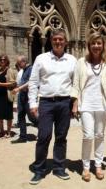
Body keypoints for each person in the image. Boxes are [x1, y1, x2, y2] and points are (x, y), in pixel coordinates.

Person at [28, 28, 77, 185]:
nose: (58, 42)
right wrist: (33, 103)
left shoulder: (72, 60)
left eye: (61, 39)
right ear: (51, 41)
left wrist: (75, 103)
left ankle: (59, 167)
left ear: (65, 42)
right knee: (44, 136)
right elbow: (34, 82)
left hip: (65, 102)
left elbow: (76, 84)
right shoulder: (41, 58)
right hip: (46, 102)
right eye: (55, 39)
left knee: (61, 137)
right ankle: (39, 170)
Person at [71, 32, 106, 182]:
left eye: (99, 43)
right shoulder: (81, 62)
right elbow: (76, 83)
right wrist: (75, 102)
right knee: (88, 135)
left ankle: (97, 165)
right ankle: (85, 167)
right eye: (93, 43)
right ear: (89, 45)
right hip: (86, 104)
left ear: (103, 45)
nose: (96, 46)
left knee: (99, 135)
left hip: (102, 104)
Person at [11, 55, 37, 143]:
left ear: (24, 62)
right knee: (20, 116)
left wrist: (19, 88)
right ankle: (23, 137)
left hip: (28, 97)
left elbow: (31, 82)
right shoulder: (24, 70)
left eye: (19, 63)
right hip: (22, 96)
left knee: (32, 117)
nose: (18, 65)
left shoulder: (31, 69)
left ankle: (43, 128)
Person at [0, 54, 17, 138]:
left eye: (4, 59)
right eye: (1, 60)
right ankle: (1, 131)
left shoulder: (9, 70)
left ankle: (9, 132)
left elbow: (13, 83)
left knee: (8, 114)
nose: (2, 61)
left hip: (6, 95)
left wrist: (0, 84)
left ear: (7, 61)